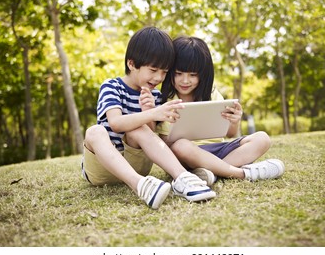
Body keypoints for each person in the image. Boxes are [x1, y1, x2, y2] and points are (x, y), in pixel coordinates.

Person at [81, 27, 216, 210]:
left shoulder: (156, 96)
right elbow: (116, 123)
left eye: (164, 72)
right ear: (131, 63)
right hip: (102, 169)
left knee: (141, 129)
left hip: (137, 164)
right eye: (153, 70)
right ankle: (140, 186)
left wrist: (150, 111)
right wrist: (151, 113)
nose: (159, 77)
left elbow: (152, 139)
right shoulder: (111, 87)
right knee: (95, 132)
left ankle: (184, 179)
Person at [157, 35, 285, 185]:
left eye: (192, 75)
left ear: (203, 74)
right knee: (181, 146)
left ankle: (211, 172)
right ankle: (239, 173)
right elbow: (163, 145)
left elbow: (229, 134)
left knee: (262, 138)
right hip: (185, 157)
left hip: (219, 151)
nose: (185, 80)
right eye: (178, 74)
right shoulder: (166, 101)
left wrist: (235, 121)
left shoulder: (212, 94)